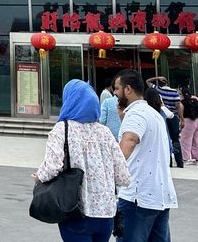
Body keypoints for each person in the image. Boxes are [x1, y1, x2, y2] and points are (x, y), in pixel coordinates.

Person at [34, 79, 130, 242]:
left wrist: (39, 177)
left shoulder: (62, 129)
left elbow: (52, 166)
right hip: (106, 215)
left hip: (77, 211)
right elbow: (123, 176)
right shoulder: (104, 132)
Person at [114, 69, 177, 241]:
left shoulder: (136, 113)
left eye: (117, 88)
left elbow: (130, 141)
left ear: (128, 89)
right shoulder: (154, 114)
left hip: (138, 196)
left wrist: (110, 173)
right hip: (160, 194)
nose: (115, 93)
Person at [145, 88, 183, 168]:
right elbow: (171, 115)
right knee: (175, 140)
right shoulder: (162, 109)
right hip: (165, 132)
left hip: (151, 137)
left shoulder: (145, 109)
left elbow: (148, 82)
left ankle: (170, 163)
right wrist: (162, 104)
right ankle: (179, 162)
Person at [180, 86, 198, 165]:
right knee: (197, 141)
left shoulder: (182, 101)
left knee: (185, 141)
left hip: (188, 121)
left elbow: (181, 112)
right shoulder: (196, 99)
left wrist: (181, 121)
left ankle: (185, 158)